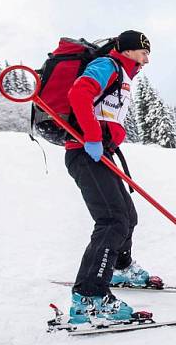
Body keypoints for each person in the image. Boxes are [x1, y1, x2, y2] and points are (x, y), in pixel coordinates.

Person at [65, 30, 162, 324]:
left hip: (100, 153)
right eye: (143, 53)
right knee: (111, 221)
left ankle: (120, 267)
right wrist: (92, 137)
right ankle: (89, 297)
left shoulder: (122, 74)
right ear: (129, 50)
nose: (146, 60)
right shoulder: (107, 65)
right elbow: (79, 93)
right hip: (85, 153)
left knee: (127, 216)